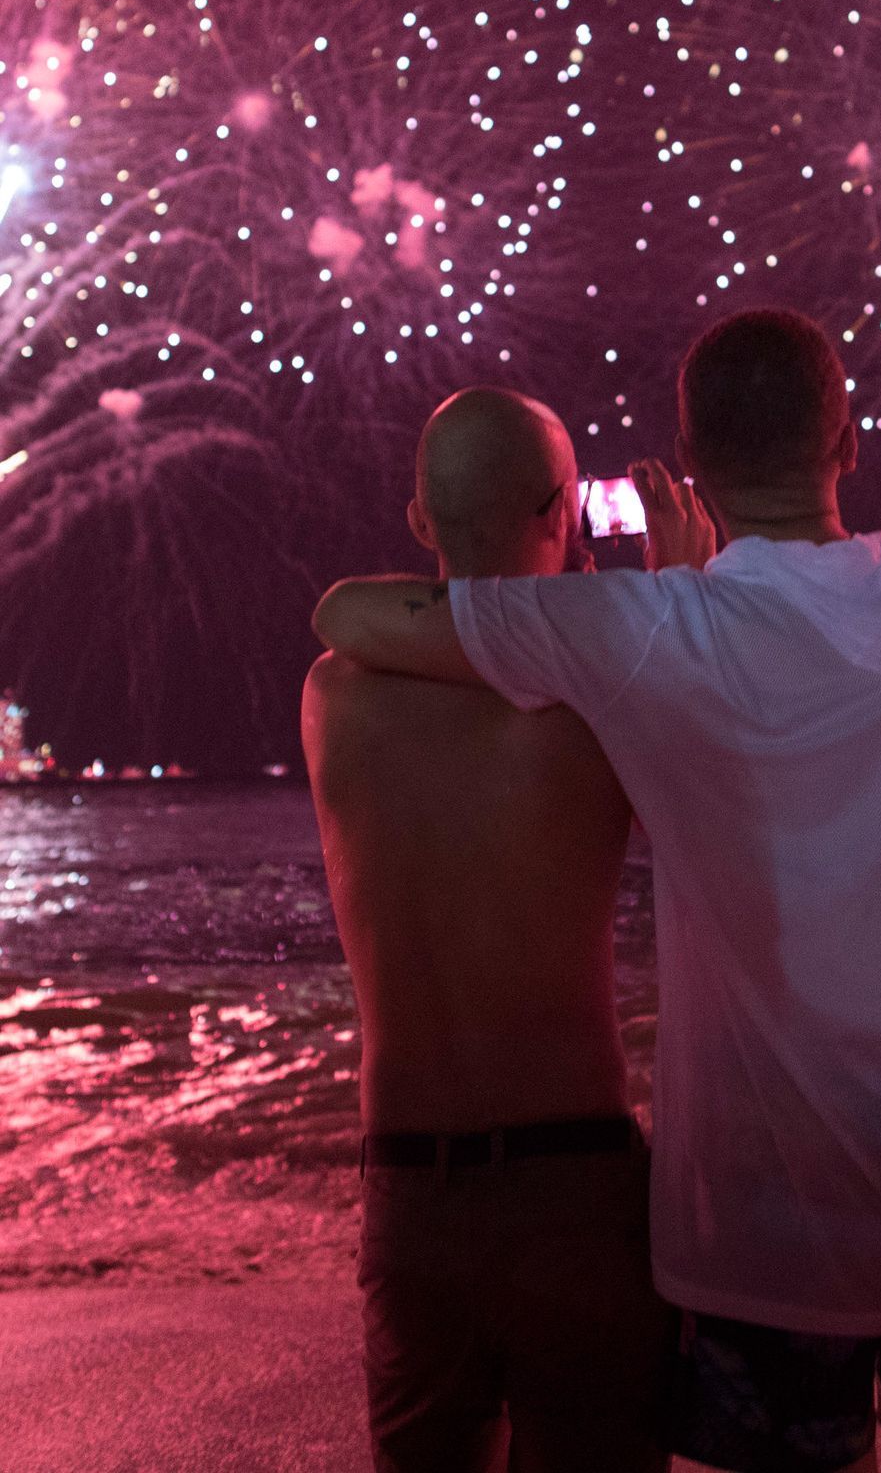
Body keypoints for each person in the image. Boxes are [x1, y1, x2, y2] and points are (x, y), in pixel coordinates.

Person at [314, 308, 881, 1473]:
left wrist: (675, 592)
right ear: (846, 440)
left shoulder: (639, 637)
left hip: (754, 1236)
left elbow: (351, 613)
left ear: (690, 462)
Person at [302, 386, 669, 1473]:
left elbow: (376, 618)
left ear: (420, 520)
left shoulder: (334, 698)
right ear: (565, 510)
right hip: (576, 1183)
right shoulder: (604, 694)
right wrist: (648, 599)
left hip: (410, 1190)